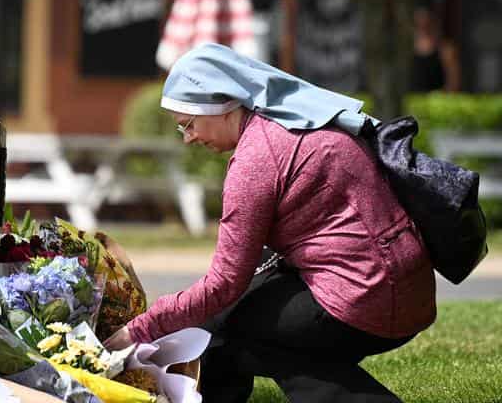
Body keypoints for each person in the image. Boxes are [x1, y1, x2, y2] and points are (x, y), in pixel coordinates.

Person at [103, 43, 436, 403]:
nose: (189, 138)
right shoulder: (295, 121)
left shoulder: (256, 161)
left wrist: (137, 330)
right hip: (409, 293)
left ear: (221, 106)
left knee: (231, 320)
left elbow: (224, 285)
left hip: (370, 300)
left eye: (189, 124)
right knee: (230, 320)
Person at [410, 6, 459, 92]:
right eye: (419, 26)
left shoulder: (445, 49)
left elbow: (453, 80)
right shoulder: (406, 49)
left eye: (427, 26)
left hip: (437, 100)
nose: (423, 30)